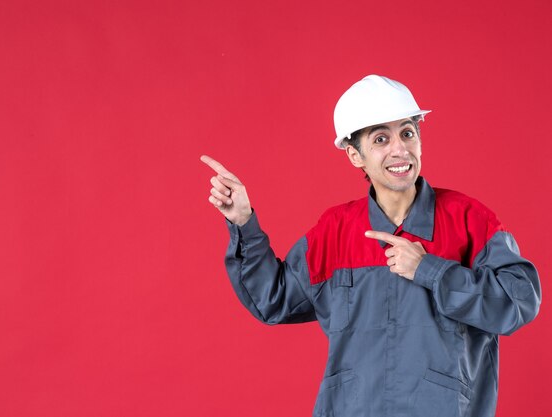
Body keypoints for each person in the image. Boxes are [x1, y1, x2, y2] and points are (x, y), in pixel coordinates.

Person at [200, 75, 541, 417]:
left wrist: (432, 271)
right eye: (381, 138)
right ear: (354, 155)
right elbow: (272, 300)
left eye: (408, 133)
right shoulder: (335, 230)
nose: (400, 149)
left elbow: (520, 300)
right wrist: (244, 222)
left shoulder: (469, 220)